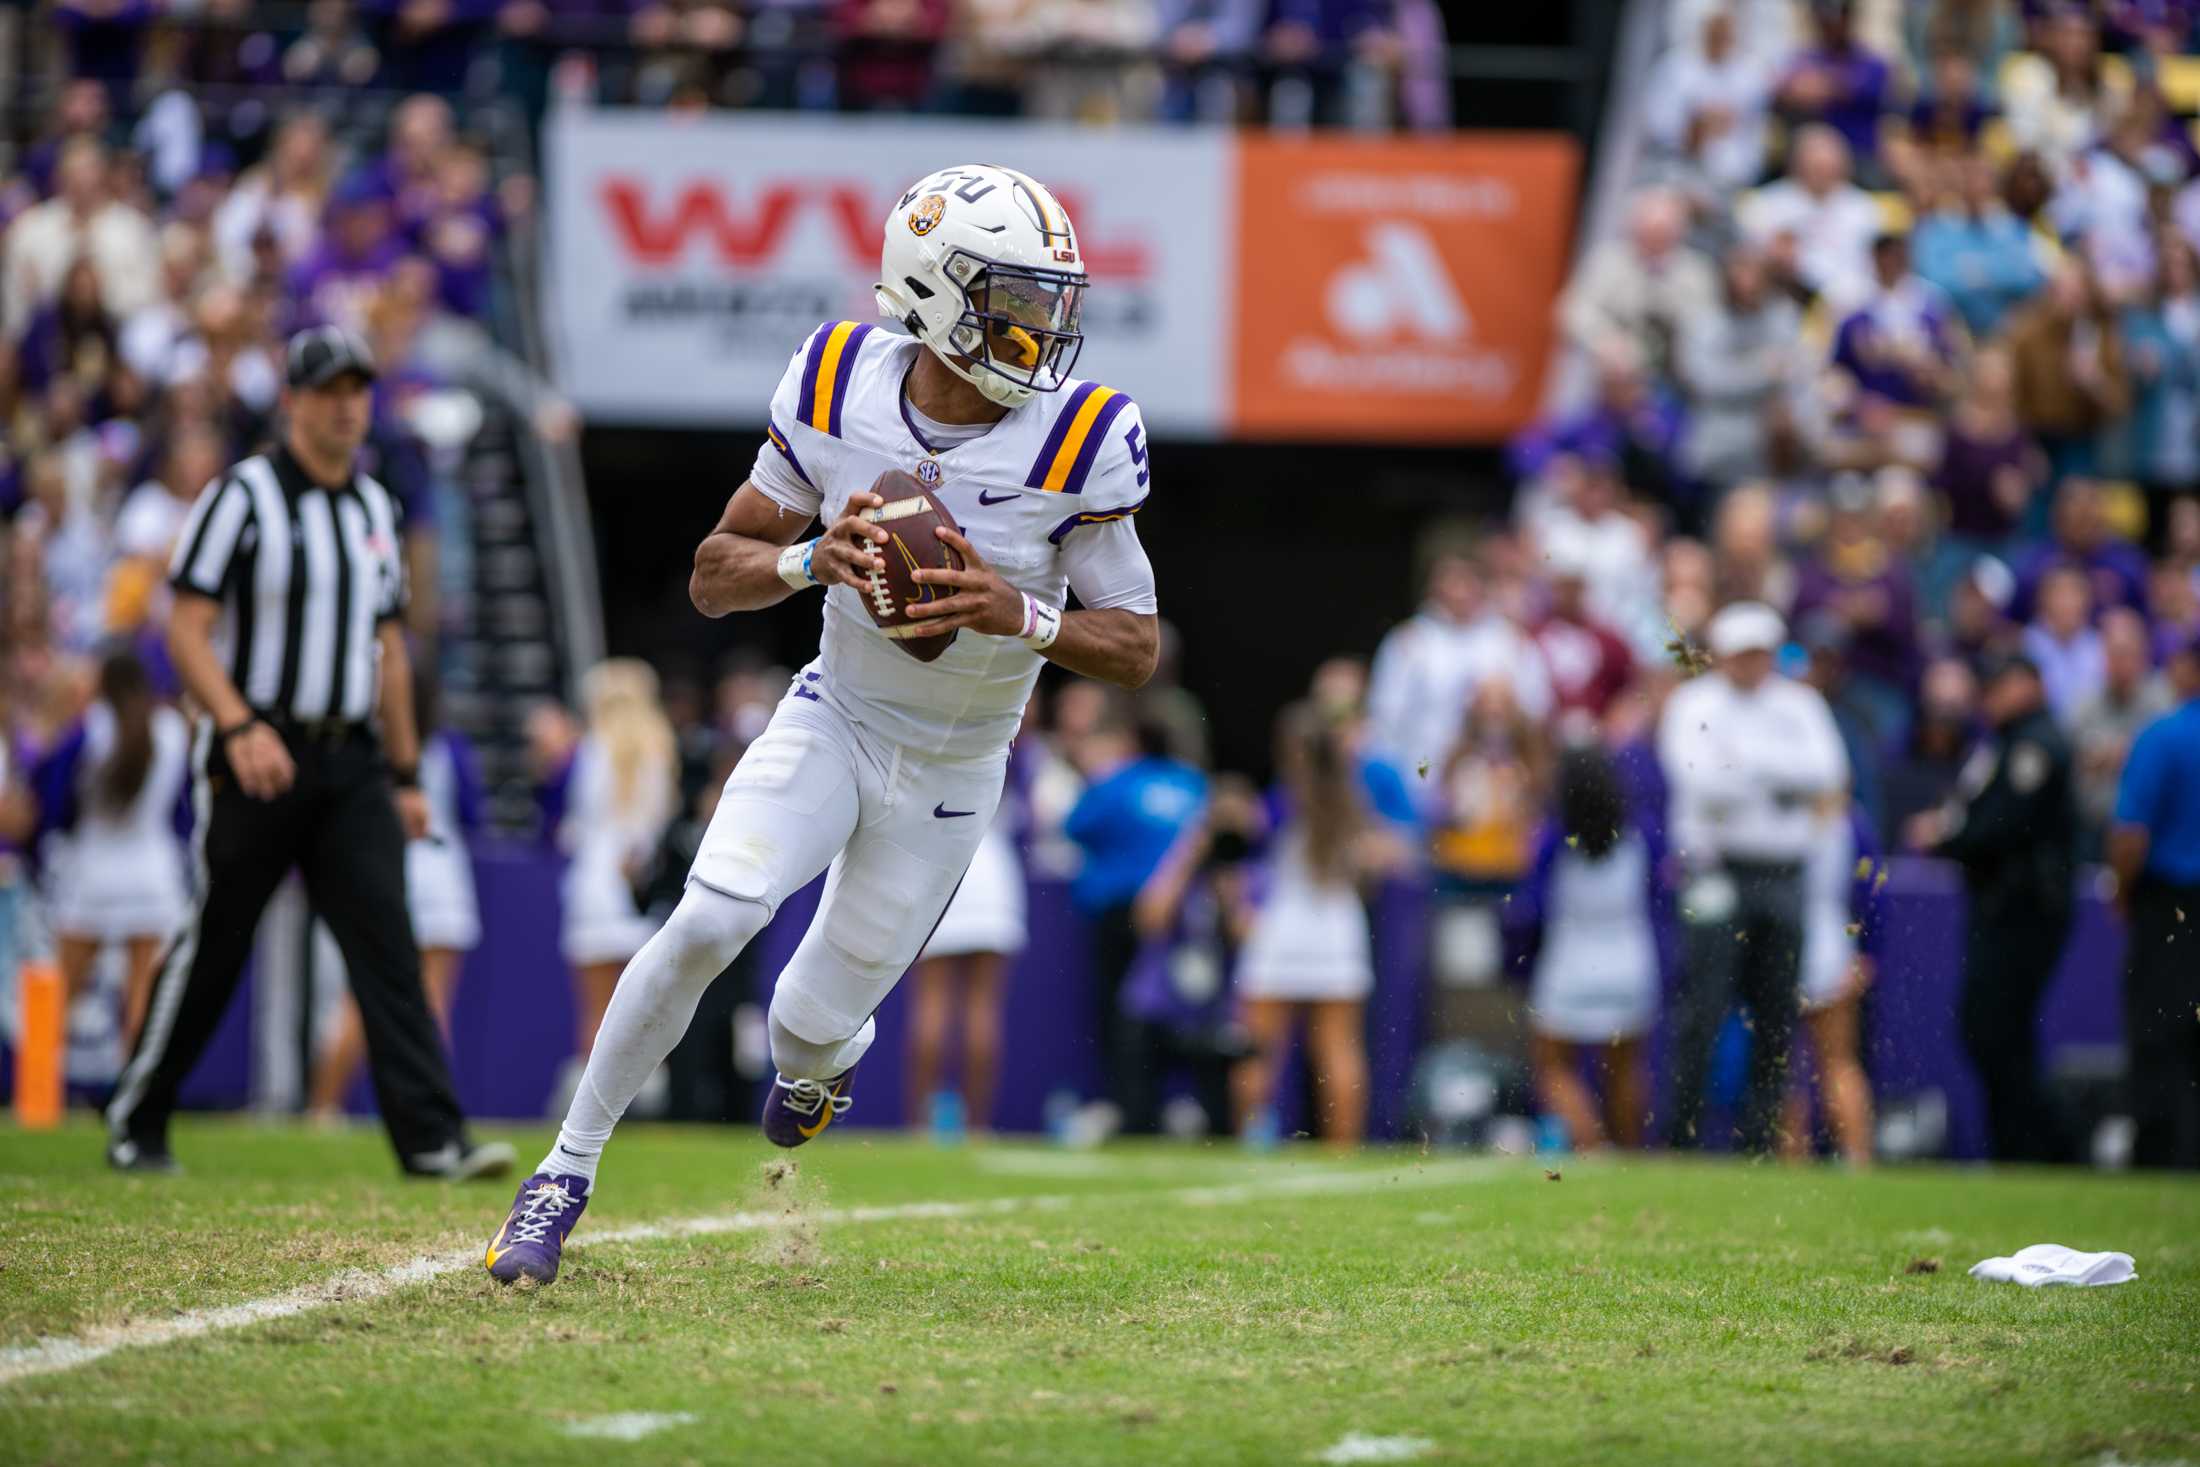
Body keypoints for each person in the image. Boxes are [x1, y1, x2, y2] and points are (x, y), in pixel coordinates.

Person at [484, 165, 1160, 1284]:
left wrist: (1022, 612)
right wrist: (809, 559)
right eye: (1015, 298)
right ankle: (563, 1171)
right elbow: (713, 575)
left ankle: (820, 1062)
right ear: (934, 292)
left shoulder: (1079, 434)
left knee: (804, 1027)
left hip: (953, 770)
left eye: (1053, 301)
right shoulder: (836, 378)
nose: (1043, 328)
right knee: (711, 918)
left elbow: (1134, 645)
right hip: (835, 716)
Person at [104, 325, 511, 1181]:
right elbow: (185, 625)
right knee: (217, 938)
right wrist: (239, 723)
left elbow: (390, 649)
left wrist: (404, 773)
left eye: (358, 390)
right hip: (258, 750)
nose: (346, 406)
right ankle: (138, 1116)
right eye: (328, 390)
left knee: (389, 944)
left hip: (351, 757)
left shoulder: (372, 507)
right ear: (291, 400)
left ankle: (432, 1138)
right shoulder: (241, 496)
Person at [1659, 601, 1850, 1153]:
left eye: (1761, 653)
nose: (1753, 664)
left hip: (1784, 875)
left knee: (1775, 1013)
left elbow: (1827, 776)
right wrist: (1777, 780)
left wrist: (1747, 765)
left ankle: (1760, 1143)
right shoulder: (1694, 703)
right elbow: (1698, 780)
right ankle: (1681, 1140)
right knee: (1705, 1008)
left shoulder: (1801, 705)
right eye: (1743, 654)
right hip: (1716, 872)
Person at [1906, 653, 2077, 1164]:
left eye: (2002, 684)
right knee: (1997, 1032)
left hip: (2024, 907)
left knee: (1994, 1028)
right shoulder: (2006, 742)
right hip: (2002, 905)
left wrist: (1946, 838)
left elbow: (2005, 824)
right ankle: (2020, 1150)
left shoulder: (2035, 744)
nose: (1991, 696)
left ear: (2030, 685)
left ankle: (2044, 1148)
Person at [309, 668, 484, 1119]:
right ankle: (426, 1113)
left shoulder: (370, 746)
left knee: (362, 997)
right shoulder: (450, 749)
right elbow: (472, 812)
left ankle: (323, 1106)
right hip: (442, 878)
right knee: (432, 1003)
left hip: (393, 873)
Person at [1231, 706, 1400, 1149]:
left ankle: (1252, 1139)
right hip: (1336, 930)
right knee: (1339, 1048)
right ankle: (1342, 1150)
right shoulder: (1351, 805)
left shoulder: (1276, 802)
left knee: (1259, 1048)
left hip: (1280, 930)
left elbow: (1247, 855)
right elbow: (1382, 858)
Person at [1508, 745, 1665, 1151]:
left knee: (1552, 1070)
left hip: (1569, 967)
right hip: (1630, 965)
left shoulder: (1553, 840)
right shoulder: (1641, 834)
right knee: (1626, 1073)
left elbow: (1530, 910)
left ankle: (1591, 1145)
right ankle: (1629, 1154)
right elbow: (1661, 896)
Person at [32, 649, 188, 1049]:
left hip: (92, 872)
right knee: (141, 1004)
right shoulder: (171, 729)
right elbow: (183, 809)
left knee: (63, 994)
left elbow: (53, 800)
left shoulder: (90, 728)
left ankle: (38, 1098)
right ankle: (132, 1093)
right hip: (152, 874)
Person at [2108, 635, 2200, 1168]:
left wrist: (2123, 891)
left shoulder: (2163, 737)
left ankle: (2161, 1156)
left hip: (2172, 906)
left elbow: (2130, 833)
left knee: (2160, 1029)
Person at [559, 658, 678, 1068]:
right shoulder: (659, 752)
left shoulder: (593, 751)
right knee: (642, 1010)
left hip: (596, 882)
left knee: (596, 1008)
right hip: (638, 886)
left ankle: (594, 1110)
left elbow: (578, 822)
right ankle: (641, 1102)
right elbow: (656, 823)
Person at [906, 793, 1026, 1137]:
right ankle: (976, 1128)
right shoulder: (1010, 744)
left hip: (940, 866)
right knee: (982, 1004)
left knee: (932, 1000)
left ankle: (920, 1126)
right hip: (991, 871)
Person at [1783, 796, 1878, 1165]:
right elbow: (1872, 889)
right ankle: (1858, 1160)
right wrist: (1869, 952)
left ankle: (1793, 1164)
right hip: (1830, 944)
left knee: (1783, 1066)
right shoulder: (1849, 820)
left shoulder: (1771, 816)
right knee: (1838, 1061)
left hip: (1786, 941)